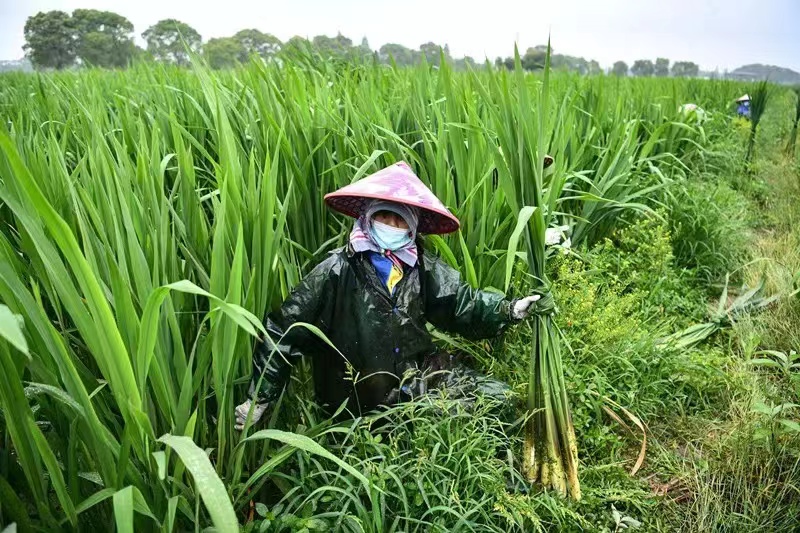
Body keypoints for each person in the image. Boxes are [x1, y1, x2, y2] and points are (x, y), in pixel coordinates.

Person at [234, 161, 548, 429]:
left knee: (497, 396)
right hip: (355, 396)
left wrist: (509, 309)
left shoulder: (420, 267)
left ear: (412, 227)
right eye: (384, 216)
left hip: (415, 376)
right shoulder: (336, 270)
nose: (392, 225)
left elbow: (461, 303)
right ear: (368, 218)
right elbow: (284, 329)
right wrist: (260, 397)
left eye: (401, 220)